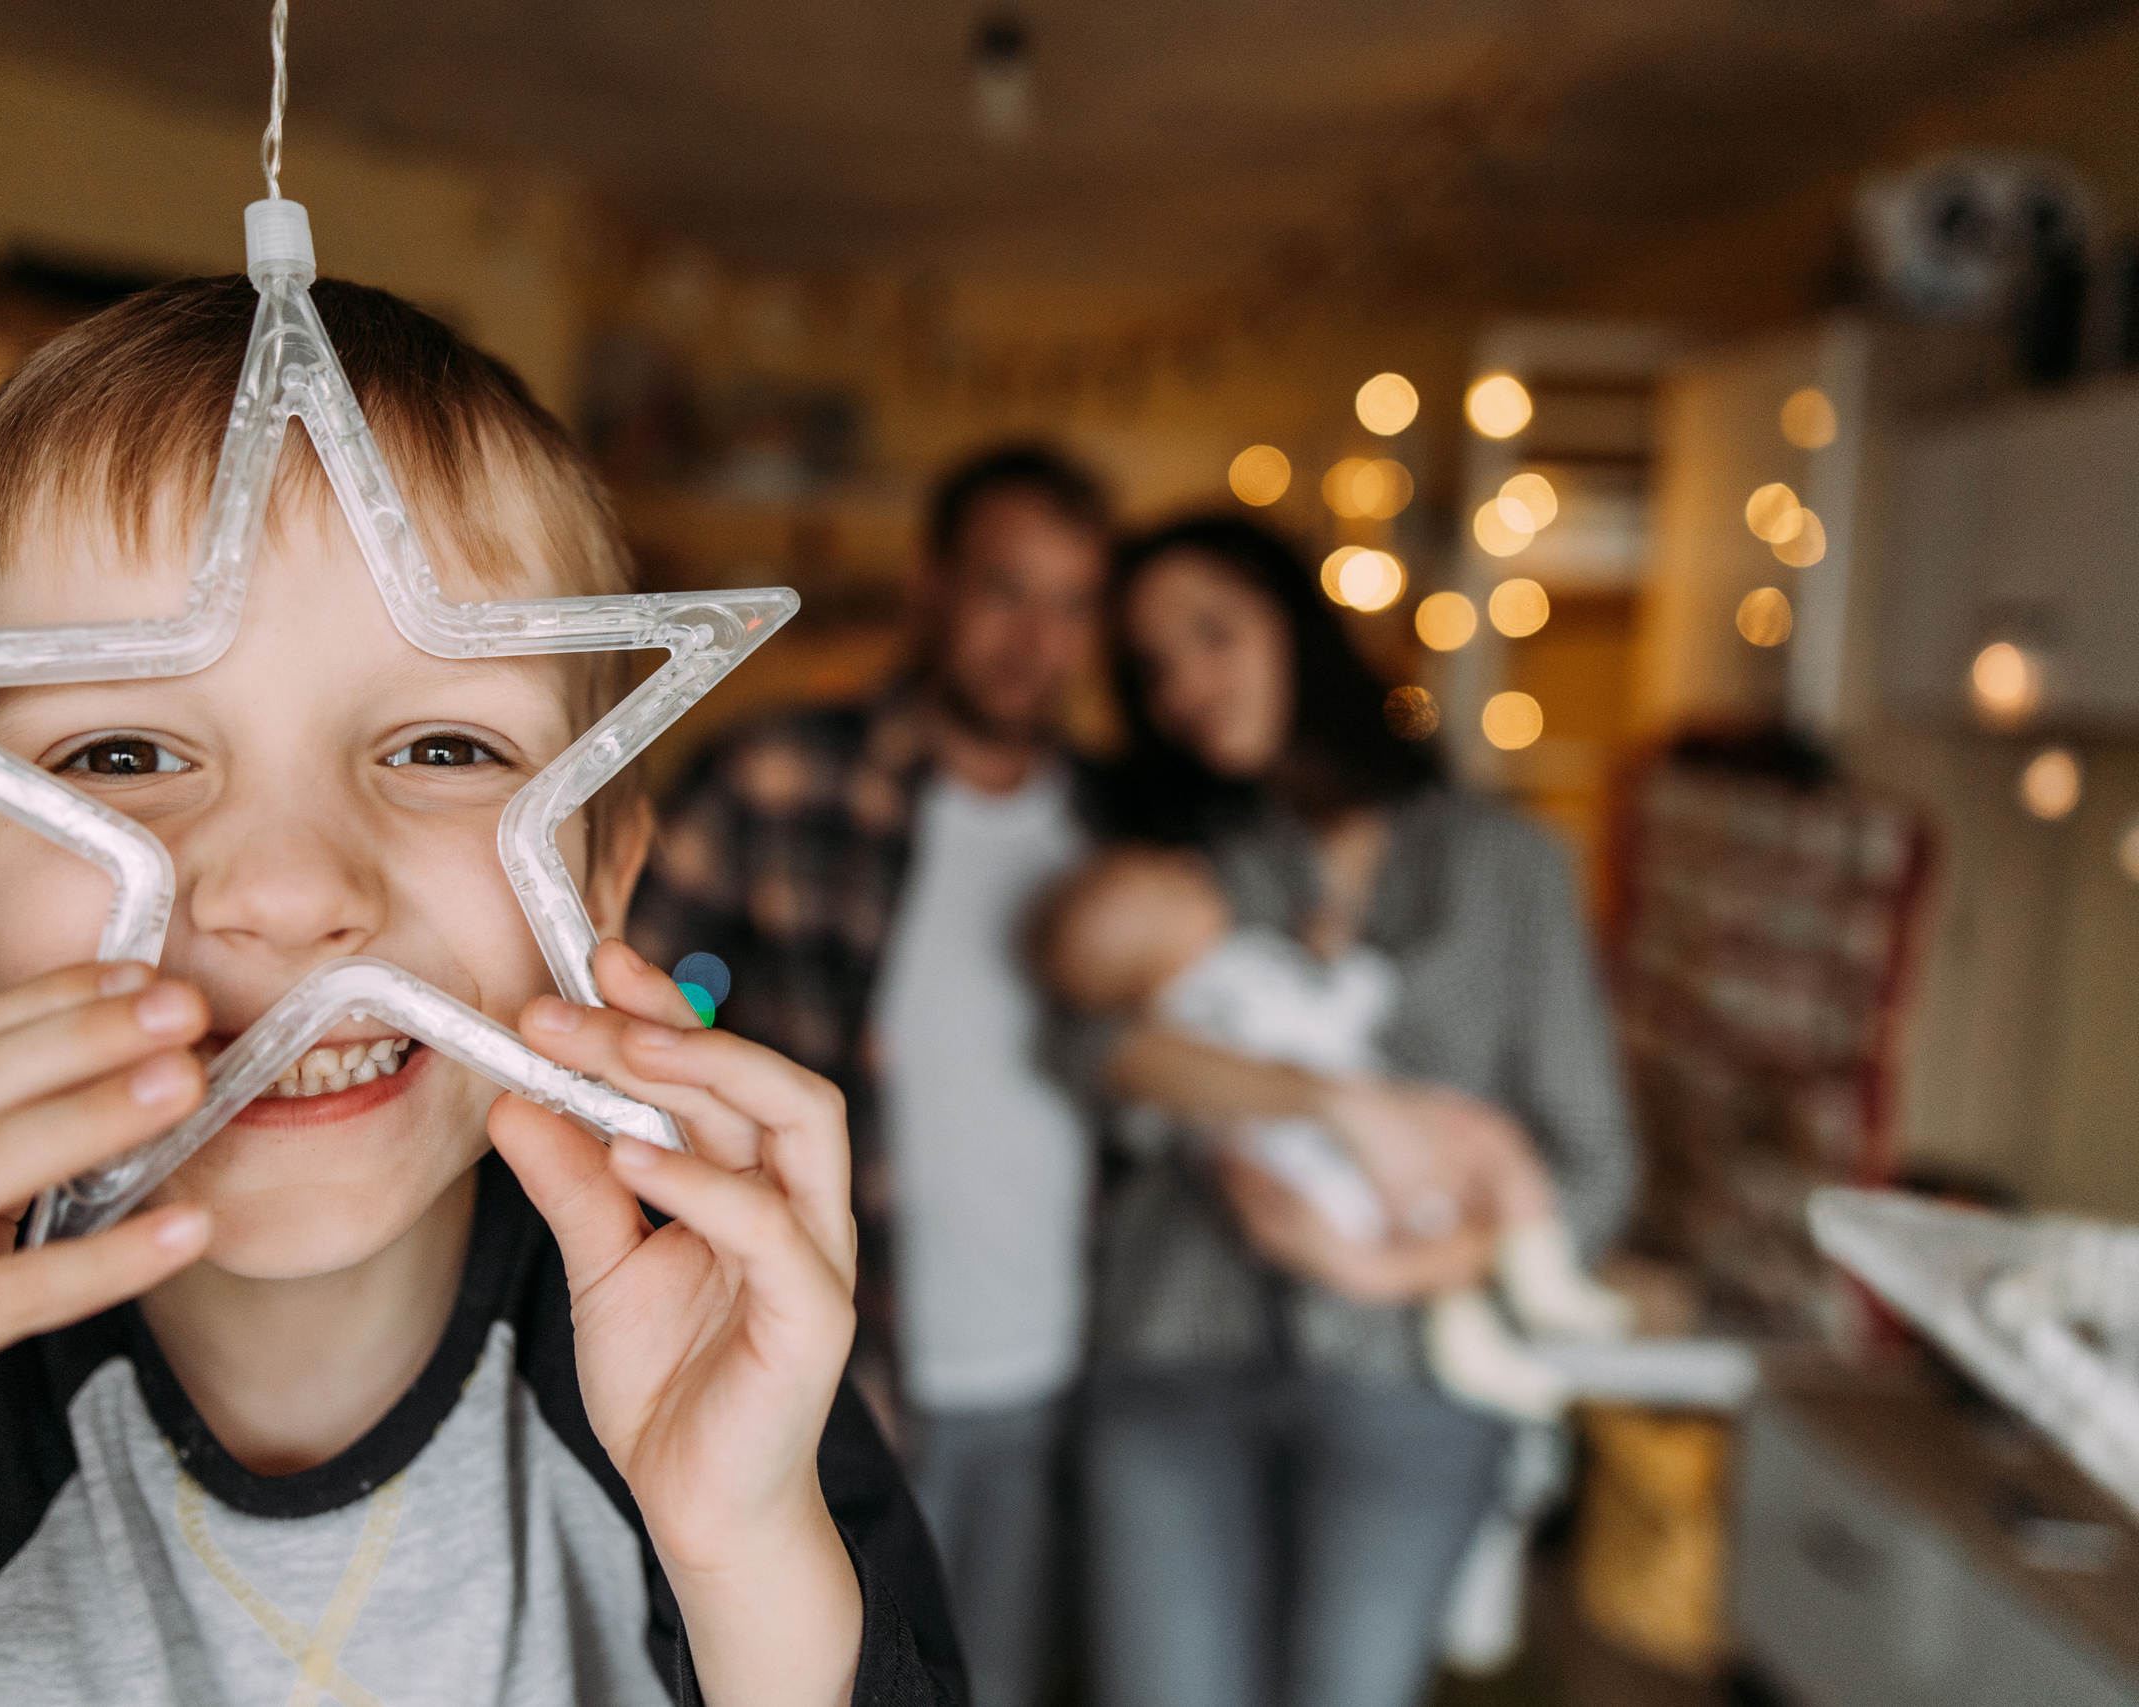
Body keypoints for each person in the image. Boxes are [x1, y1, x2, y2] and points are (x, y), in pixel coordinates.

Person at [0, 278, 960, 1706]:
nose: (296, 889)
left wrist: (745, 1560)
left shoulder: (721, 1370)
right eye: (119, 752)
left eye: (442, 747)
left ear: (600, 874)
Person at [1054, 514, 1634, 1707]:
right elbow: (1091, 1050)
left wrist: (1392, 1273)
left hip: (1408, 1384)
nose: (1185, 688)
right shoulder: (1173, 866)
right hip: (1171, 1360)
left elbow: (1590, 1161)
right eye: (1152, 667)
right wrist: (1325, 1099)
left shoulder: (1507, 866)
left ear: (1298, 626)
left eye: (1211, 635)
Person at [627, 445, 1110, 1707]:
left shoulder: (1116, 829)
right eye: (1007, 589)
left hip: (1051, 1357)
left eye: (1071, 604)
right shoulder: (777, 778)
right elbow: (632, 1007)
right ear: (933, 585)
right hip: (838, 1356)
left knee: (984, 1681)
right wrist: (742, 1056)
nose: (1035, 638)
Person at [1043, 847, 1633, 1424]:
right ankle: (1533, 1282)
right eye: (1177, 887)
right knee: (1483, 1151)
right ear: (1163, 946)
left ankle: (1480, 1327)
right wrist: (1350, 973)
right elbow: (1319, 1020)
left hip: (1314, 1195)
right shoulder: (1234, 978)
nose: (1197, 874)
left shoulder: (1186, 1002)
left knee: (1435, 1216)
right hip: (1317, 1177)